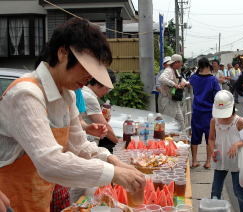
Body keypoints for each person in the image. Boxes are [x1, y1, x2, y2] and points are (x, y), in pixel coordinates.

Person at [0, 18, 145, 212]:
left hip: (39, 196)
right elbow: (49, 162)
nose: (89, 78)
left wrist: (112, 160)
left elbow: (79, 146)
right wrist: (113, 173)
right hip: (11, 201)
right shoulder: (26, 93)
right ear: (62, 53)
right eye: (86, 69)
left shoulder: (66, 95)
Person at [209, 90, 243, 212]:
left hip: (237, 160)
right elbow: (211, 138)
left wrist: (237, 144)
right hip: (220, 159)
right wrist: (213, 151)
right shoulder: (214, 120)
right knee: (215, 191)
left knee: (239, 191)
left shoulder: (239, 121)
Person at [189, 57, 221, 169]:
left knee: (195, 136)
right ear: (208, 66)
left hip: (197, 111)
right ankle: (207, 162)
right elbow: (218, 96)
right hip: (209, 113)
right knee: (210, 137)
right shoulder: (213, 80)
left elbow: (189, 82)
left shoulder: (194, 78)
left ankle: (194, 161)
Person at [82, 73, 119, 151]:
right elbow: (105, 126)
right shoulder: (89, 97)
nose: (107, 92)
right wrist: (119, 144)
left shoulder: (84, 92)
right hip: (88, 144)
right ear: (99, 84)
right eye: (108, 88)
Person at [158, 54, 189, 130]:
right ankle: (166, 140)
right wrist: (174, 84)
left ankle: (181, 137)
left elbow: (182, 79)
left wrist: (185, 83)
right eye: (180, 62)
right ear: (176, 62)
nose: (181, 64)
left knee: (181, 121)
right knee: (168, 122)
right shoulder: (168, 70)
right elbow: (161, 78)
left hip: (174, 100)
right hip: (167, 100)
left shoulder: (176, 71)